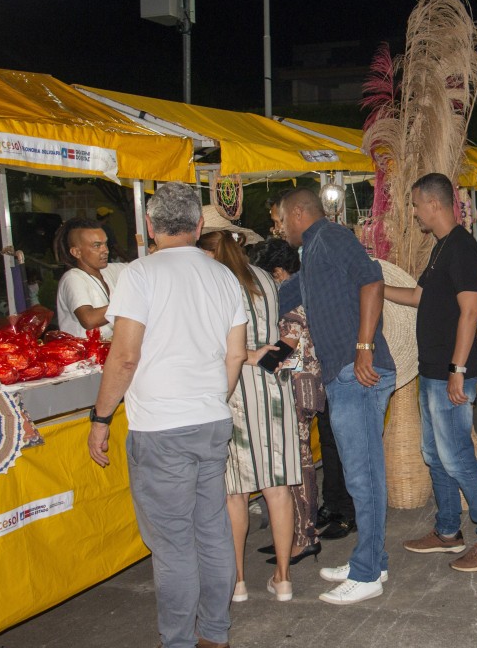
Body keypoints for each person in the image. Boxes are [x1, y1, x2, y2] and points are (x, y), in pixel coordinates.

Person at [87, 183, 248, 648]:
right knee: (212, 531)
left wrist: (101, 418)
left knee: (174, 544)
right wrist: (214, 396)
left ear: (150, 228)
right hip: (211, 420)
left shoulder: (139, 275)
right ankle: (214, 635)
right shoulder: (224, 278)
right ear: (199, 226)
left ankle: (177, 640)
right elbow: (235, 356)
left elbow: (124, 357)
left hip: (160, 427)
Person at [385, 173, 477, 572]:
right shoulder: (440, 248)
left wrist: (457, 369)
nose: (414, 211)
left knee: (456, 456)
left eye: (416, 204)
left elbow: (472, 310)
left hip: (449, 370)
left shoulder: (462, 248)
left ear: (434, 204)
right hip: (432, 368)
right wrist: (376, 286)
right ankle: (447, 531)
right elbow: (419, 297)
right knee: (433, 453)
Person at [277, 187, 396, 606]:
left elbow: (373, 281)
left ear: (297, 214)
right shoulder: (311, 253)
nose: (277, 228)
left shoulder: (330, 236)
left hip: (357, 371)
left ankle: (367, 575)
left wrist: (363, 346)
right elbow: (283, 297)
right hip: (346, 374)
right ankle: (372, 559)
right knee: (360, 473)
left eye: (278, 219)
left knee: (363, 477)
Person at [198, 228, 300, 603]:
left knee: (234, 492)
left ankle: (238, 581)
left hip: (231, 387)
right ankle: (284, 578)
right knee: (278, 487)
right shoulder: (263, 278)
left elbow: (219, 346)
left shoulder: (210, 282)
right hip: (272, 388)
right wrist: (262, 353)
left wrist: (247, 356)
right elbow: (282, 331)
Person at [253, 238, 325, 564]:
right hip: (303, 386)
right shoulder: (302, 289)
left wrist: (250, 358)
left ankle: (305, 535)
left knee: (299, 464)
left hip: (298, 388)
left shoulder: (292, 295)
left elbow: (286, 344)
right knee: (298, 461)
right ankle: (295, 532)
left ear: (279, 271)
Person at [53, 217, 126, 340]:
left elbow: (140, 268)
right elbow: (88, 319)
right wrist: (129, 302)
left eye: (105, 244)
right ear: (76, 252)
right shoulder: (73, 278)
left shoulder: (107, 271)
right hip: (84, 357)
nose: (106, 250)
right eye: (97, 245)